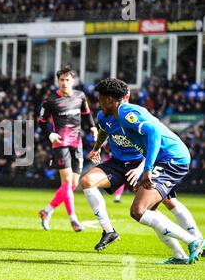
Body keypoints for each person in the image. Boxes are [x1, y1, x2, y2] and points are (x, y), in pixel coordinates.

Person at [81, 95, 202, 263]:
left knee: (162, 204)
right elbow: (103, 129)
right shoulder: (105, 115)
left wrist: (143, 168)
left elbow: (152, 138)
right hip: (122, 162)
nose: (97, 103)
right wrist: (96, 148)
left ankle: (195, 239)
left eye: (100, 99)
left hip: (150, 161)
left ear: (111, 99)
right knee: (148, 209)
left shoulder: (130, 115)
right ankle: (180, 254)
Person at [38, 67, 98, 232]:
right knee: (66, 182)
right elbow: (41, 122)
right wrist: (50, 135)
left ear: (73, 81)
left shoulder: (80, 96)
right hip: (60, 143)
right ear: (58, 82)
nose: (64, 83)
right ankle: (73, 219)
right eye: (61, 80)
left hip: (76, 143)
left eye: (67, 80)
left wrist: (93, 128)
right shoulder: (50, 100)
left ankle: (46, 211)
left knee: (72, 185)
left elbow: (86, 114)